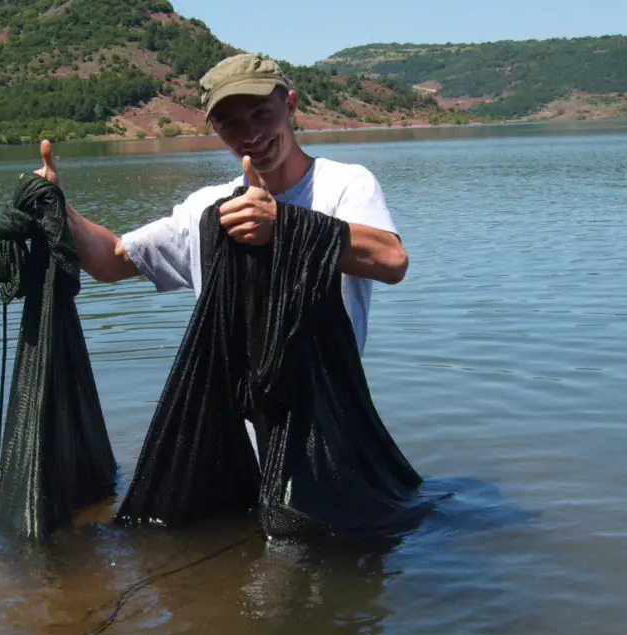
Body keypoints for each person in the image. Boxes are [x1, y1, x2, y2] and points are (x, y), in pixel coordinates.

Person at [34, 52, 409, 458]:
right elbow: (111, 259)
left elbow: (391, 261)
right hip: (236, 441)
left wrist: (283, 224)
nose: (250, 135)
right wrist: (57, 207)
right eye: (229, 122)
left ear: (291, 104)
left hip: (327, 431)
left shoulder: (344, 185)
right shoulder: (208, 209)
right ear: (214, 128)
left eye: (261, 113)